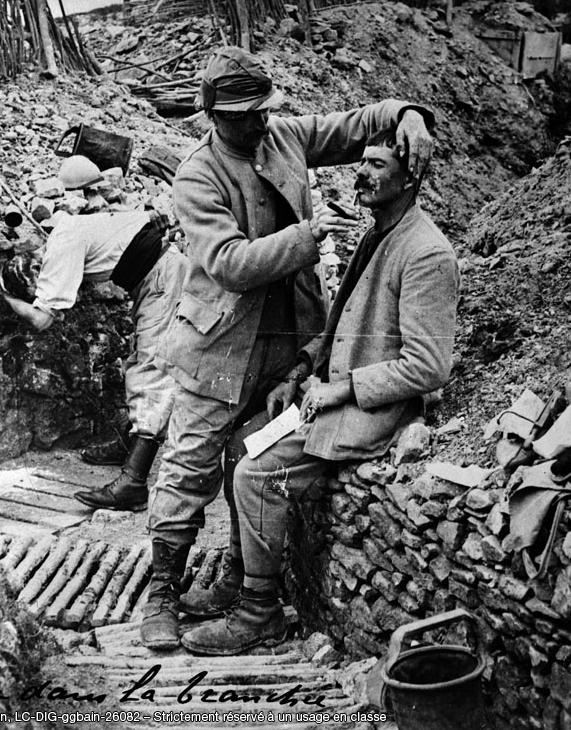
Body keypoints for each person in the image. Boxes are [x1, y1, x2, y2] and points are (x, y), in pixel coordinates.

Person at [139, 45, 436, 650]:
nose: (260, 122)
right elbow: (229, 263)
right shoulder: (197, 175)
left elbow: (358, 125)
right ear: (214, 117)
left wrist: (407, 113)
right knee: (190, 465)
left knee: (250, 456)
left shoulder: (285, 137)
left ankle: (238, 576)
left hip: (290, 342)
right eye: (245, 115)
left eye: (264, 109)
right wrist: (308, 235)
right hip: (220, 347)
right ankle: (162, 591)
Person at [179, 127, 460, 656]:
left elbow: (429, 367)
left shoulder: (427, 253)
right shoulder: (379, 234)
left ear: (410, 179)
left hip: (372, 411)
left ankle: (259, 612)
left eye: (378, 165)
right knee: (240, 444)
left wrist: (342, 390)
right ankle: (241, 574)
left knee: (258, 474)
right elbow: (340, 328)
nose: (362, 173)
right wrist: (299, 372)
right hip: (332, 393)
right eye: (363, 161)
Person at [0, 159, 187, 511]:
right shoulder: (66, 233)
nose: (39, 288)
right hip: (156, 274)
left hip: (162, 275)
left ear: (35, 269)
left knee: (152, 370)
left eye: (34, 287)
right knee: (139, 360)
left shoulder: (60, 249)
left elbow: (42, 320)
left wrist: (11, 301)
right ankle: (127, 445)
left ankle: (133, 483)